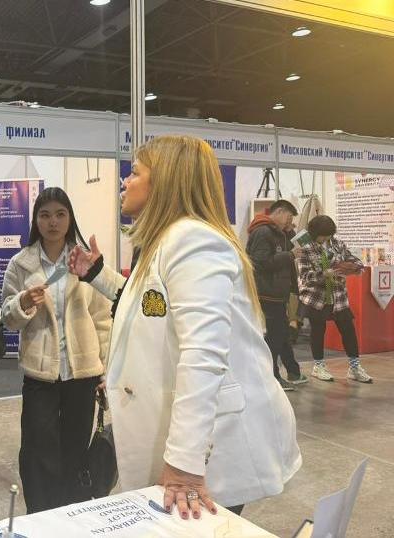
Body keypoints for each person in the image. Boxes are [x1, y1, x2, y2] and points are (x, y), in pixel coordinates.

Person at [68, 135, 301, 519]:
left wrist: (183, 464)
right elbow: (153, 306)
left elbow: (203, 353)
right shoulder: (166, 242)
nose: (125, 181)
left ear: (165, 182)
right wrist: (98, 274)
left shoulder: (192, 240)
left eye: (135, 172)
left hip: (208, 454)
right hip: (187, 443)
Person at [1, 187, 112, 513]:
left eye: (60, 214)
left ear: (70, 218)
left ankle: (71, 514)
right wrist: (23, 302)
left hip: (82, 372)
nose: (53, 222)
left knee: (75, 449)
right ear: (35, 220)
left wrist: (107, 368)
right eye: (45, 215)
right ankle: (40, 514)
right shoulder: (21, 264)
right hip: (41, 375)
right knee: (38, 450)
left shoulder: (83, 261)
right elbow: (8, 317)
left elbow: (102, 318)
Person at [296, 215, 371, 383]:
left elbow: (353, 259)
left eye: (329, 235)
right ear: (314, 233)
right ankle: (318, 366)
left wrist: (354, 266)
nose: (326, 238)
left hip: (338, 296)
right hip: (316, 297)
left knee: (348, 329)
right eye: (323, 235)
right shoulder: (305, 248)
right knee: (318, 330)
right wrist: (324, 274)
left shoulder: (337, 244)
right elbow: (305, 276)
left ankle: (354, 367)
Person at [245, 199, 305, 390]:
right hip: (267, 294)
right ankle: (271, 377)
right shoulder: (263, 232)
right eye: (288, 217)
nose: (290, 222)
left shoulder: (279, 233)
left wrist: (290, 233)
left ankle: (291, 372)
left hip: (278, 293)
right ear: (279, 211)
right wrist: (290, 255)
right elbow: (259, 262)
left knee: (281, 335)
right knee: (273, 338)